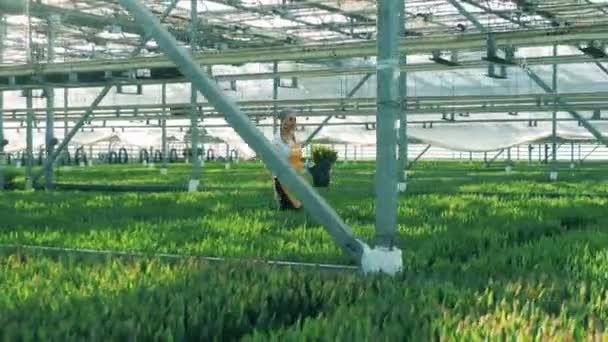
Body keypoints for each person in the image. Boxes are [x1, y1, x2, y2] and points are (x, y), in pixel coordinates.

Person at [272, 109, 305, 210]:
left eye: (295, 119)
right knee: (290, 210)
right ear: (283, 121)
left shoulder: (293, 137)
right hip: (283, 181)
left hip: (295, 177)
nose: (294, 122)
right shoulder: (277, 140)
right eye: (290, 119)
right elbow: (277, 167)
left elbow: (296, 157)